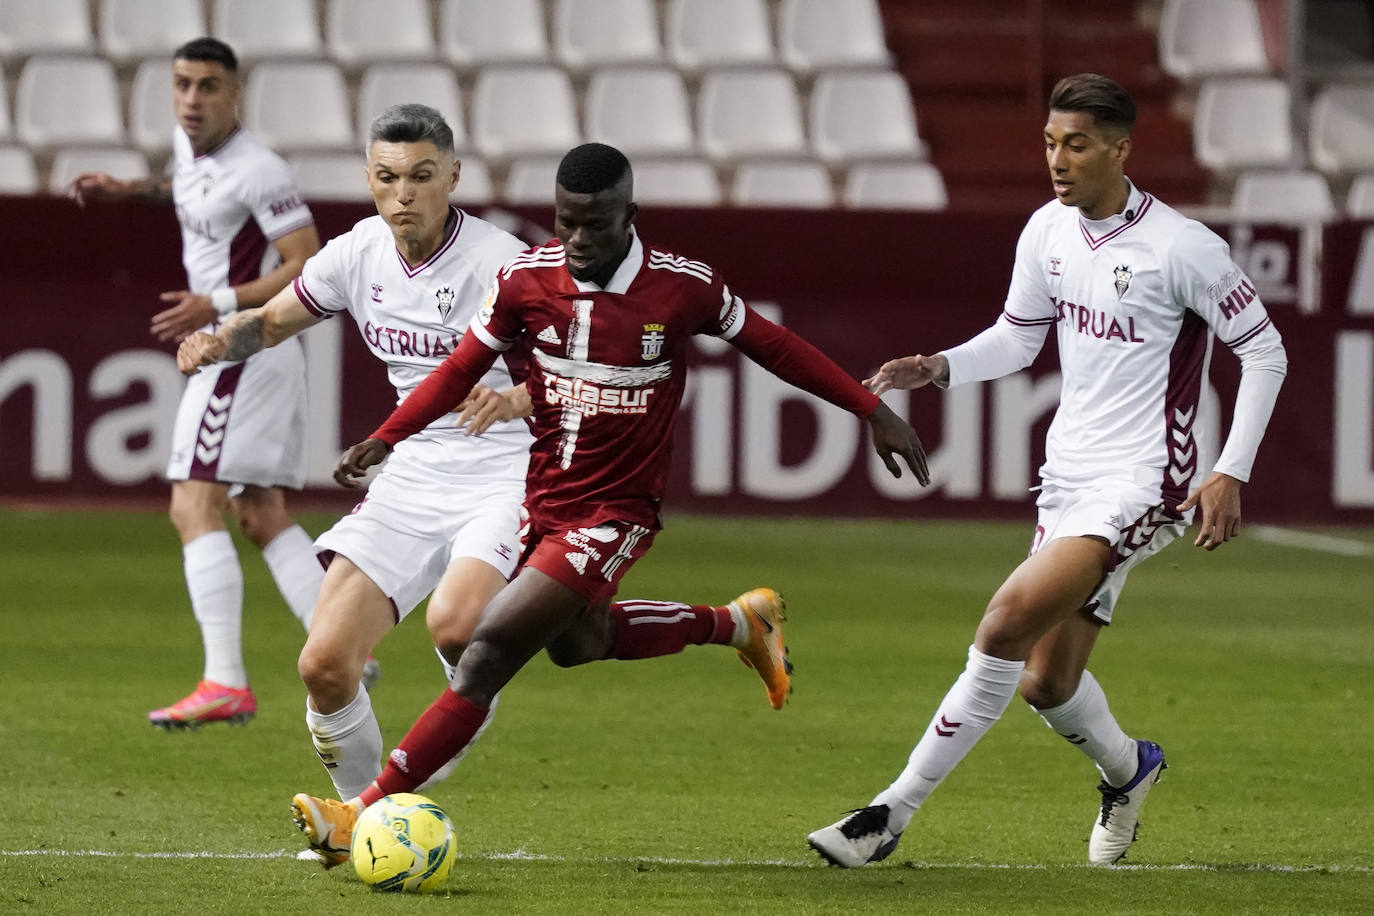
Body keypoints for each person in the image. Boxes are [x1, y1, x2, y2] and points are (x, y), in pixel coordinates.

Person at [286, 141, 931, 866]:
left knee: (488, 646)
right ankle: (737, 624)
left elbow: (774, 345)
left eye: (597, 225)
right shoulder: (527, 280)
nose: (581, 242)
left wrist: (868, 407)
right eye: (568, 224)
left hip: (615, 512)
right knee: (575, 644)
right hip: (544, 498)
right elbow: (461, 367)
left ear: (632, 216)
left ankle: (359, 814)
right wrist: (386, 437)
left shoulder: (681, 287)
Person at [806, 73, 1287, 868]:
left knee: (1002, 623)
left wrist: (1230, 470)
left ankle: (889, 814)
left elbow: (1264, 350)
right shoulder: (1048, 231)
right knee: (1045, 683)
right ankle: (1131, 770)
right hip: (1065, 478)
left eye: (1078, 144)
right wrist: (940, 366)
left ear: (1121, 150)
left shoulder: (1183, 247)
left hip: (1144, 481)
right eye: (1051, 143)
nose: (1058, 160)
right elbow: (1019, 336)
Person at [70, 37, 330, 728]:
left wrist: (216, 304)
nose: (191, 99)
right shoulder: (189, 147)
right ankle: (343, 641)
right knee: (258, 510)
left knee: (192, 504)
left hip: (240, 348)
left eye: (207, 86)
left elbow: (306, 262)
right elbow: (184, 187)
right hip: (246, 352)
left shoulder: (260, 170)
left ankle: (225, 683)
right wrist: (128, 190)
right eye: (182, 84)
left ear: (235, 94)